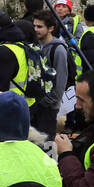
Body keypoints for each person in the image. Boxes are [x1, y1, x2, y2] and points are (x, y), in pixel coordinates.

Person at [30, 9, 72, 140]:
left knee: (46, 146)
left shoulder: (58, 49)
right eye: (34, 26)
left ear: (51, 28)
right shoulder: (36, 45)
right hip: (36, 106)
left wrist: (46, 102)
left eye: (39, 26)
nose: (35, 29)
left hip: (48, 108)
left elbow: (60, 82)